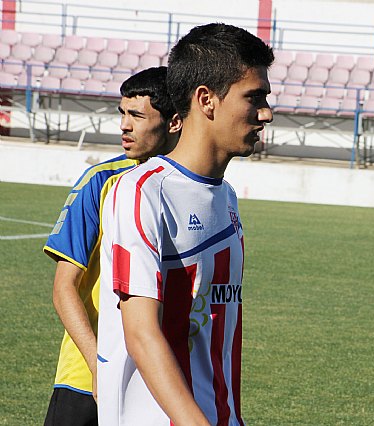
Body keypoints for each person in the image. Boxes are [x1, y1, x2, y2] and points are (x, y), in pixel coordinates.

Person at [97, 23, 273, 425]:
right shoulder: (142, 191)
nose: (266, 113)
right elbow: (141, 332)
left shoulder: (224, 195)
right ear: (206, 100)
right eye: (254, 97)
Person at [43, 66, 182, 426]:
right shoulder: (100, 181)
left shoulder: (190, 188)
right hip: (85, 376)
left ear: (174, 122)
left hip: (162, 373)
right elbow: (64, 288)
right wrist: (97, 366)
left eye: (136, 115)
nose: (123, 125)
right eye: (122, 113)